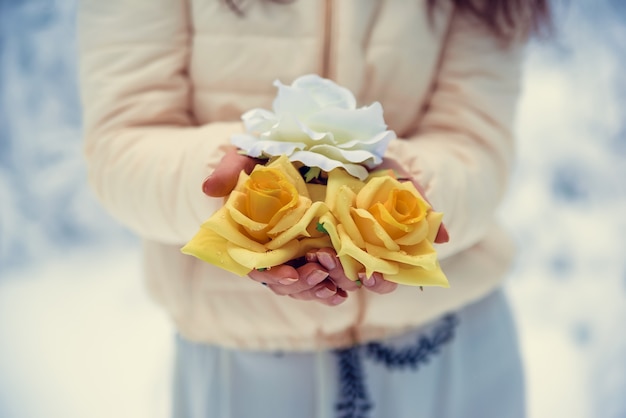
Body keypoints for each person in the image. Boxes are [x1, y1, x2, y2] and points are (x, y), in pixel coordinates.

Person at [77, 0, 550, 417]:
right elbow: (122, 145)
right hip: (248, 362)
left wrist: (408, 194)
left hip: (450, 345)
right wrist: (238, 191)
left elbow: (476, 144)